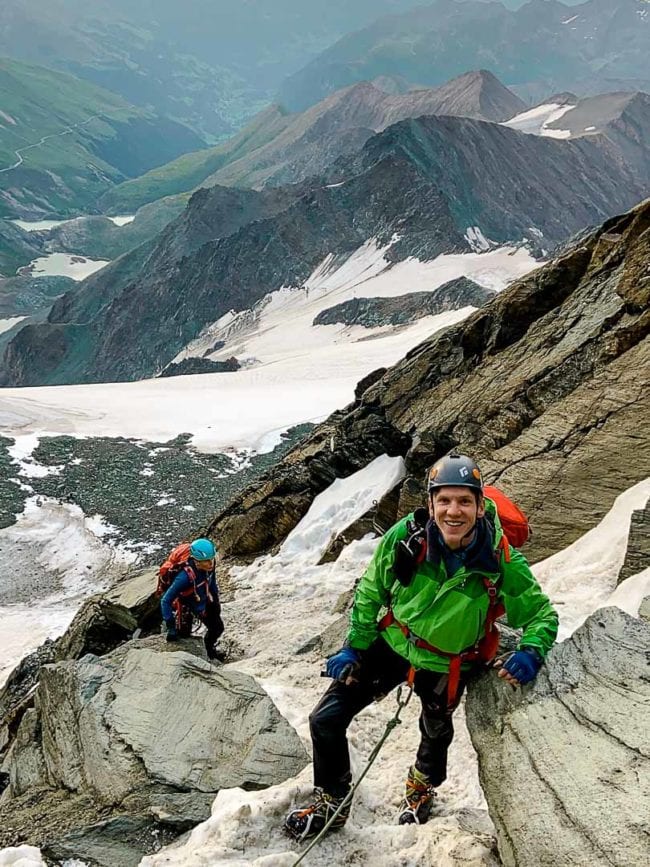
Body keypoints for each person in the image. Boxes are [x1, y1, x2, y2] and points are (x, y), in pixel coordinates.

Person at [284, 453, 558, 841]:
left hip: (446, 662)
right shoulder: (407, 538)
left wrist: (531, 651)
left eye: (464, 501)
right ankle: (332, 800)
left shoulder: (499, 559)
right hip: (392, 643)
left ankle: (420, 788)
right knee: (325, 719)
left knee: (435, 731)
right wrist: (355, 646)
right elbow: (370, 590)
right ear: (430, 504)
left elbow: (542, 614)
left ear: (480, 507)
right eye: (444, 500)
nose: (453, 511)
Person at [160, 537, 225, 661]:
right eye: (206, 561)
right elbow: (165, 600)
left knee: (217, 628)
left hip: (204, 600)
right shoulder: (184, 577)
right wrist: (171, 626)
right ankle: (204, 652)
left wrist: (215, 600)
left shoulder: (210, 564)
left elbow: (212, 581)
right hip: (188, 604)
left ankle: (209, 651)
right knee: (184, 635)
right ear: (196, 561)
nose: (211, 563)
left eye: (211, 559)